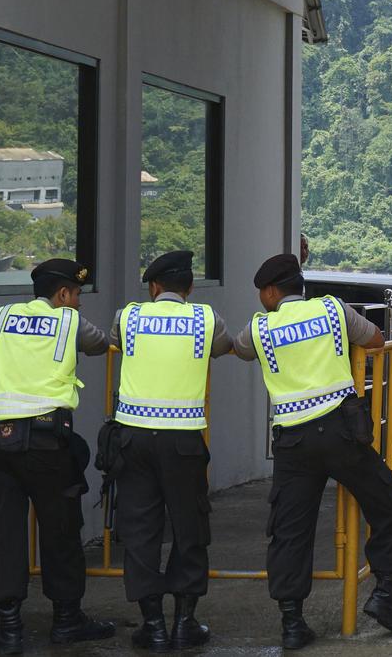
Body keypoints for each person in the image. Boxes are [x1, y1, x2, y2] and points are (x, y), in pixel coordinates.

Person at [232, 254, 392, 646]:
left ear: (270, 292)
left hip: (293, 443)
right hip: (341, 434)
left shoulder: (259, 327)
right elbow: (376, 339)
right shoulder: (333, 310)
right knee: (390, 502)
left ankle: (292, 623)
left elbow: (241, 350)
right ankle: (385, 595)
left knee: (290, 530)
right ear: (301, 286)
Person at [0, 259, 115, 655]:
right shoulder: (69, 322)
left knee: (4, 535)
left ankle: (10, 629)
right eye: (77, 295)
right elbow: (101, 343)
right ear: (63, 294)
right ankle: (66, 621)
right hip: (48, 444)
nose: (80, 303)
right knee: (61, 531)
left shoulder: (1, 316)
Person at [107, 251, 233, 650]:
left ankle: (154, 625)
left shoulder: (128, 317)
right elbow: (225, 347)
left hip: (134, 438)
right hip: (183, 441)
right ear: (190, 289)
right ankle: (185, 622)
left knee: (140, 530)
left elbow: (114, 344)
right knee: (189, 526)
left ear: (153, 288)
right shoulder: (207, 319)